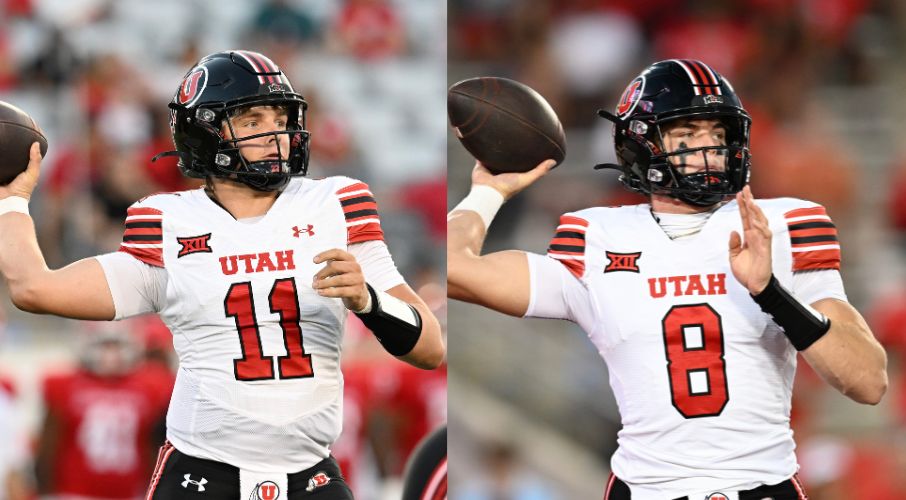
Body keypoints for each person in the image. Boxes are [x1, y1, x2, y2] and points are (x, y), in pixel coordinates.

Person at [0, 50, 445, 500]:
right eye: (252, 121)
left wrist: (370, 302)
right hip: (203, 476)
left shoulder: (336, 204)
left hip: (311, 476)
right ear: (206, 130)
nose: (276, 134)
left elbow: (430, 347)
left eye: (281, 116)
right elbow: (34, 288)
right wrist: (12, 200)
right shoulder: (167, 222)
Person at [447, 59, 887, 499]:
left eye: (717, 135)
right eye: (687, 134)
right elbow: (454, 268)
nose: (708, 150)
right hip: (646, 489)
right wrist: (490, 190)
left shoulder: (781, 224)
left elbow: (867, 381)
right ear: (642, 143)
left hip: (761, 485)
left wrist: (770, 292)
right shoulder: (596, 237)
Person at [34, 328, 172, 500]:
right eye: (104, 345)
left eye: (115, 345)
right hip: (74, 492)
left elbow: (155, 442)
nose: (110, 354)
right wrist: (45, 488)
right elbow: (48, 443)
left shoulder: (151, 385)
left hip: (130, 492)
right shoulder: (66, 385)